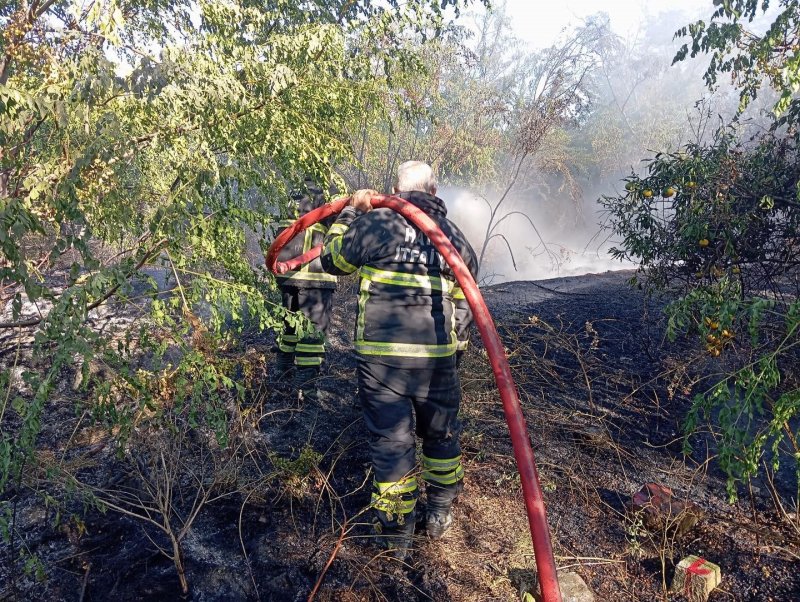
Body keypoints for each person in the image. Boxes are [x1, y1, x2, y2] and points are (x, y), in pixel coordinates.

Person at [320, 161, 478, 559]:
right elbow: (467, 294)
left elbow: (333, 260)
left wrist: (352, 212)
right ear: (435, 190)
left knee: (393, 442)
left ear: (395, 189)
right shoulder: (452, 236)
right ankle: (440, 513)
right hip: (438, 359)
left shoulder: (378, 224)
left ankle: (396, 531)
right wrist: (456, 348)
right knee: (440, 433)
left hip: (383, 359)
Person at [271, 178, 338, 402]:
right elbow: (339, 227)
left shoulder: (287, 187)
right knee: (313, 335)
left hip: (287, 275)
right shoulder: (326, 190)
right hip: (315, 276)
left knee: (289, 327)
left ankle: (282, 374)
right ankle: (306, 388)